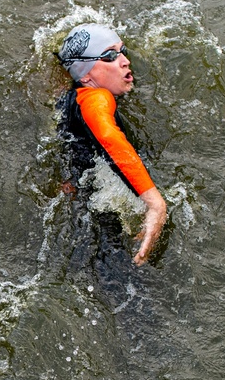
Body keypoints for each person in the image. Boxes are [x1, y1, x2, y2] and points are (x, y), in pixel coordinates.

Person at [56, 23, 167, 266]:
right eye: (109, 56)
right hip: (98, 207)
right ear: (86, 75)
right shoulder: (96, 98)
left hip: (79, 198)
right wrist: (155, 203)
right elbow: (107, 135)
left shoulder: (71, 98)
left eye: (122, 51)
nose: (125, 61)